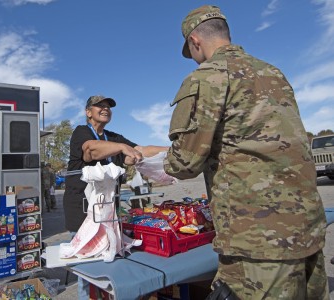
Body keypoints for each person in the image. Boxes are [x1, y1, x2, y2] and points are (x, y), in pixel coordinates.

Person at [164, 5, 328, 299]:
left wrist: (159, 160)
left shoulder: (206, 77)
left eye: (192, 53)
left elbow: (184, 163)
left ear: (195, 42)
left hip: (258, 241)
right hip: (307, 227)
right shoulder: (273, 73)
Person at [63, 95, 168, 299]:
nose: (105, 109)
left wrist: (170, 150)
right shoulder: (81, 132)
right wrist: (121, 148)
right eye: (100, 106)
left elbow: (141, 150)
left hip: (109, 212)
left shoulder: (113, 137)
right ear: (88, 112)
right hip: (83, 211)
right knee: (89, 270)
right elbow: (90, 151)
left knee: (110, 266)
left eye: (108, 107)